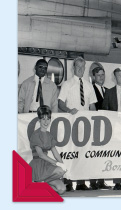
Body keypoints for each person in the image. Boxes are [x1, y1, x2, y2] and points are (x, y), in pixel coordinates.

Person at [57, 57, 97, 191]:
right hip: (71, 123)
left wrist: (95, 120)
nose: (80, 69)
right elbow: (60, 103)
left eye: (82, 67)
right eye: (78, 67)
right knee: (69, 153)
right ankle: (67, 182)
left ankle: (81, 183)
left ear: (85, 68)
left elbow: (92, 106)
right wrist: (69, 110)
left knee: (82, 153)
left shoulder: (89, 85)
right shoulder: (67, 84)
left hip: (85, 125)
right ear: (73, 68)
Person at [29, 105, 66, 194]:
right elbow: (41, 155)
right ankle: (37, 183)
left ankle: (40, 186)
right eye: (43, 119)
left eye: (48, 119)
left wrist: (62, 164)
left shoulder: (49, 135)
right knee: (60, 170)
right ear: (39, 120)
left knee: (62, 189)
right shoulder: (35, 135)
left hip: (46, 164)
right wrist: (56, 163)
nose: (46, 122)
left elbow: (55, 153)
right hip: (37, 165)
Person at [89, 67, 110, 189]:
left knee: (103, 153)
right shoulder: (89, 89)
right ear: (93, 77)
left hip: (105, 127)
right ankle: (92, 181)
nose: (101, 77)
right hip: (94, 126)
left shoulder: (108, 91)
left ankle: (101, 180)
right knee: (94, 154)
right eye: (98, 75)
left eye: (103, 75)